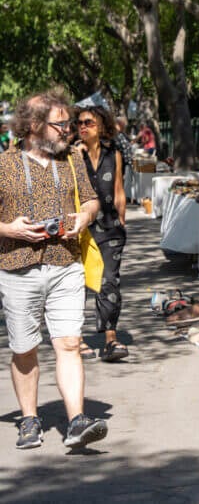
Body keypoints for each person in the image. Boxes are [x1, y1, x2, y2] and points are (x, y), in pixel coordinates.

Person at [0, 88, 107, 449]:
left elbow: (92, 200)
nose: (69, 131)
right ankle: (30, 419)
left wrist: (84, 216)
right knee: (25, 349)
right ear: (33, 125)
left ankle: (77, 420)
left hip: (65, 262)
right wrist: (9, 229)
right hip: (17, 267)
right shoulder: (4, 164)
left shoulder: (72, 160)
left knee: (70, 343)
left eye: (70, 124)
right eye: (61, 124)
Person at [74, 105, 129, 362]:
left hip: (110, 227)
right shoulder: (70, 156)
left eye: (89, 122)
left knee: (109, 282)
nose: (83, 127)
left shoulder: (114, 153)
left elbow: (118, 188)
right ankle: (78, 340)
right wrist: (74, 155)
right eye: (80, 123)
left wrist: (122, 219)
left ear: (102, 126)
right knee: (77, 284)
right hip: (80, 230)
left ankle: (110, 339)